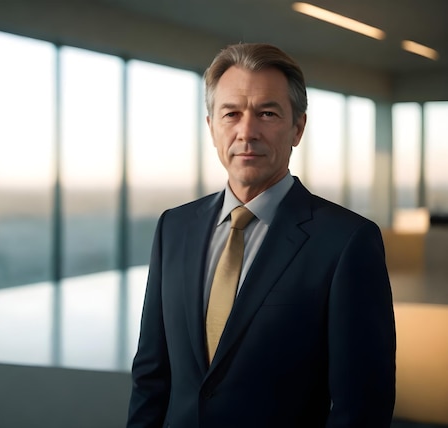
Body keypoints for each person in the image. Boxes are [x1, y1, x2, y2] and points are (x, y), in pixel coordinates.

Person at [127, 42, 396, 427]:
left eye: (267, 113)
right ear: (211, 126)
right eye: (231, 114)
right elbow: (151, 378)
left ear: (297, 128)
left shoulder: (347, 242)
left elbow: (362, 407)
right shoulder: (174, 228)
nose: (246, 131)